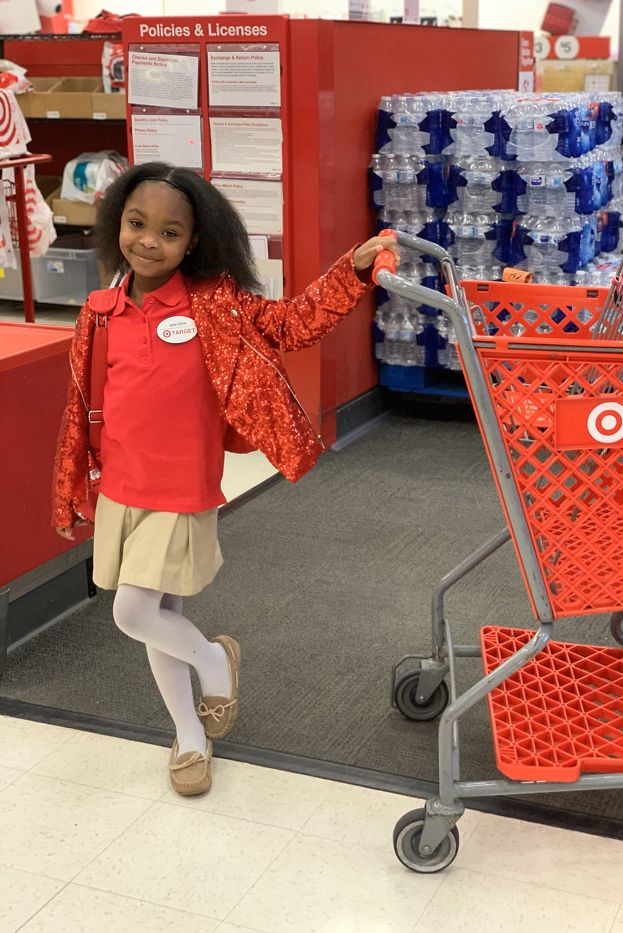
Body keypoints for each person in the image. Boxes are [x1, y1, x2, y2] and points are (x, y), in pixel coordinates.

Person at [52, 161, 399, 796]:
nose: (149, 241)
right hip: (120, 487)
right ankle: (188, 735)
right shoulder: (100, 312)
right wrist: (77, 479)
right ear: (115, 225)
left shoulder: (216, 306)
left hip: (181, 488)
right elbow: (84, 405)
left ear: (195, 241)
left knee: (132, 611)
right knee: (161, 613)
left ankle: (215, 660)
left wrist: (352, 268)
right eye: (136, 224)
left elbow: (294, 323)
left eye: (170, 232)